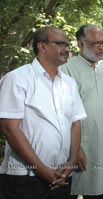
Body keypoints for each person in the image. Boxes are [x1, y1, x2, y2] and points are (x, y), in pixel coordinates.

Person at [0, 26, 86, 199]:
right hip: (24, 179)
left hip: (61, 177)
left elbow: (75, 123)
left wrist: (71, 162)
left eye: (67, 45)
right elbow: (10, 129)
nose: (67, 49)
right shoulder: (17, 79)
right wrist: (41, 169)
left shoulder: (69, 83)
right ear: (42, 46)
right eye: (60, 44)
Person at [60, 24, 103, 199]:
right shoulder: (66, 68)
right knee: (67, 189)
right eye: (95, 43)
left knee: (98, 190)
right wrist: (74, 149)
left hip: (101, 147)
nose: (101, 47)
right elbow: (61, 112)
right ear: (79, 44)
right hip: (73, 146)